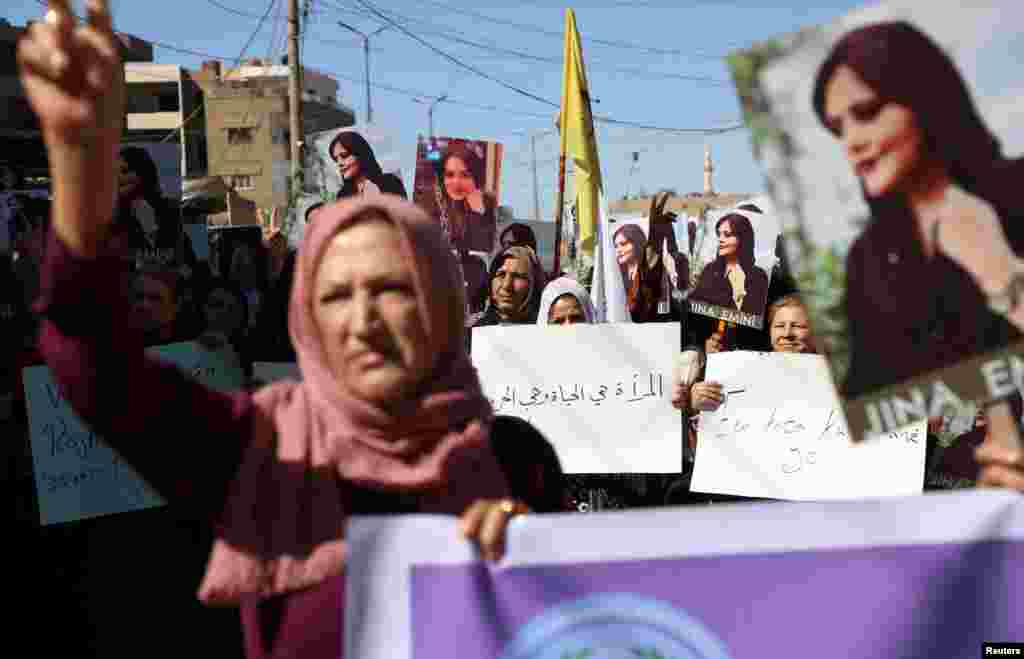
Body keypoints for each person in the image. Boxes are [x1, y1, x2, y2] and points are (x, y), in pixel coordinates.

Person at [18, 6, 534, 658]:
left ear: (440, 304)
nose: (364, 317)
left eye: (392, 288)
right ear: (306, 320)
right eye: (336, 295)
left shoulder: (513, 460)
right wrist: (78, 161)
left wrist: (531, 564)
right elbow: (88, 360)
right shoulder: (256, 447)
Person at [812, 21, 1024, 400]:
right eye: (838, 128)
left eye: (867, 112)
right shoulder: (866, 260)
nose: (851, 143)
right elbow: (868, 402)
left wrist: (999, 269)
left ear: (926, 99)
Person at [116, 145, 197, 272]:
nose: (119, 178)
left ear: (143, 173)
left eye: (125, 171)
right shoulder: (112, 215)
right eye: (114, 173)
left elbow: (182, 257)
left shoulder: (169, 209)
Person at [690, 212, 769, 317]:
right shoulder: (710, 269)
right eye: (719, 234)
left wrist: (738, 292)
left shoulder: (758, 276)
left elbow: (753, 318)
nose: (720, 239)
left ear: (742, 238)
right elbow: (692, 305)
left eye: (727, 235)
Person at [439, 141, 498, 253]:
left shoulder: (490, 203)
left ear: (475, 176)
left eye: (465, 175)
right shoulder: (439, 205)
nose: (456, 182)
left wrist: (478, 212)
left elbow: (485, 249)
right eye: (450, 175)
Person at [473, 245, 545, 328]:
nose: (506, 285)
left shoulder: (545, 331)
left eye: (518, 276)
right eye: (501, 274)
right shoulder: (473, 333)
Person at [330, 130, 407, 200]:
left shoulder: (390, 183)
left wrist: (378, 198)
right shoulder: (342, 196)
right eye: (336, 159)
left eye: (344, 155)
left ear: (360, 154)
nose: (339, 163)